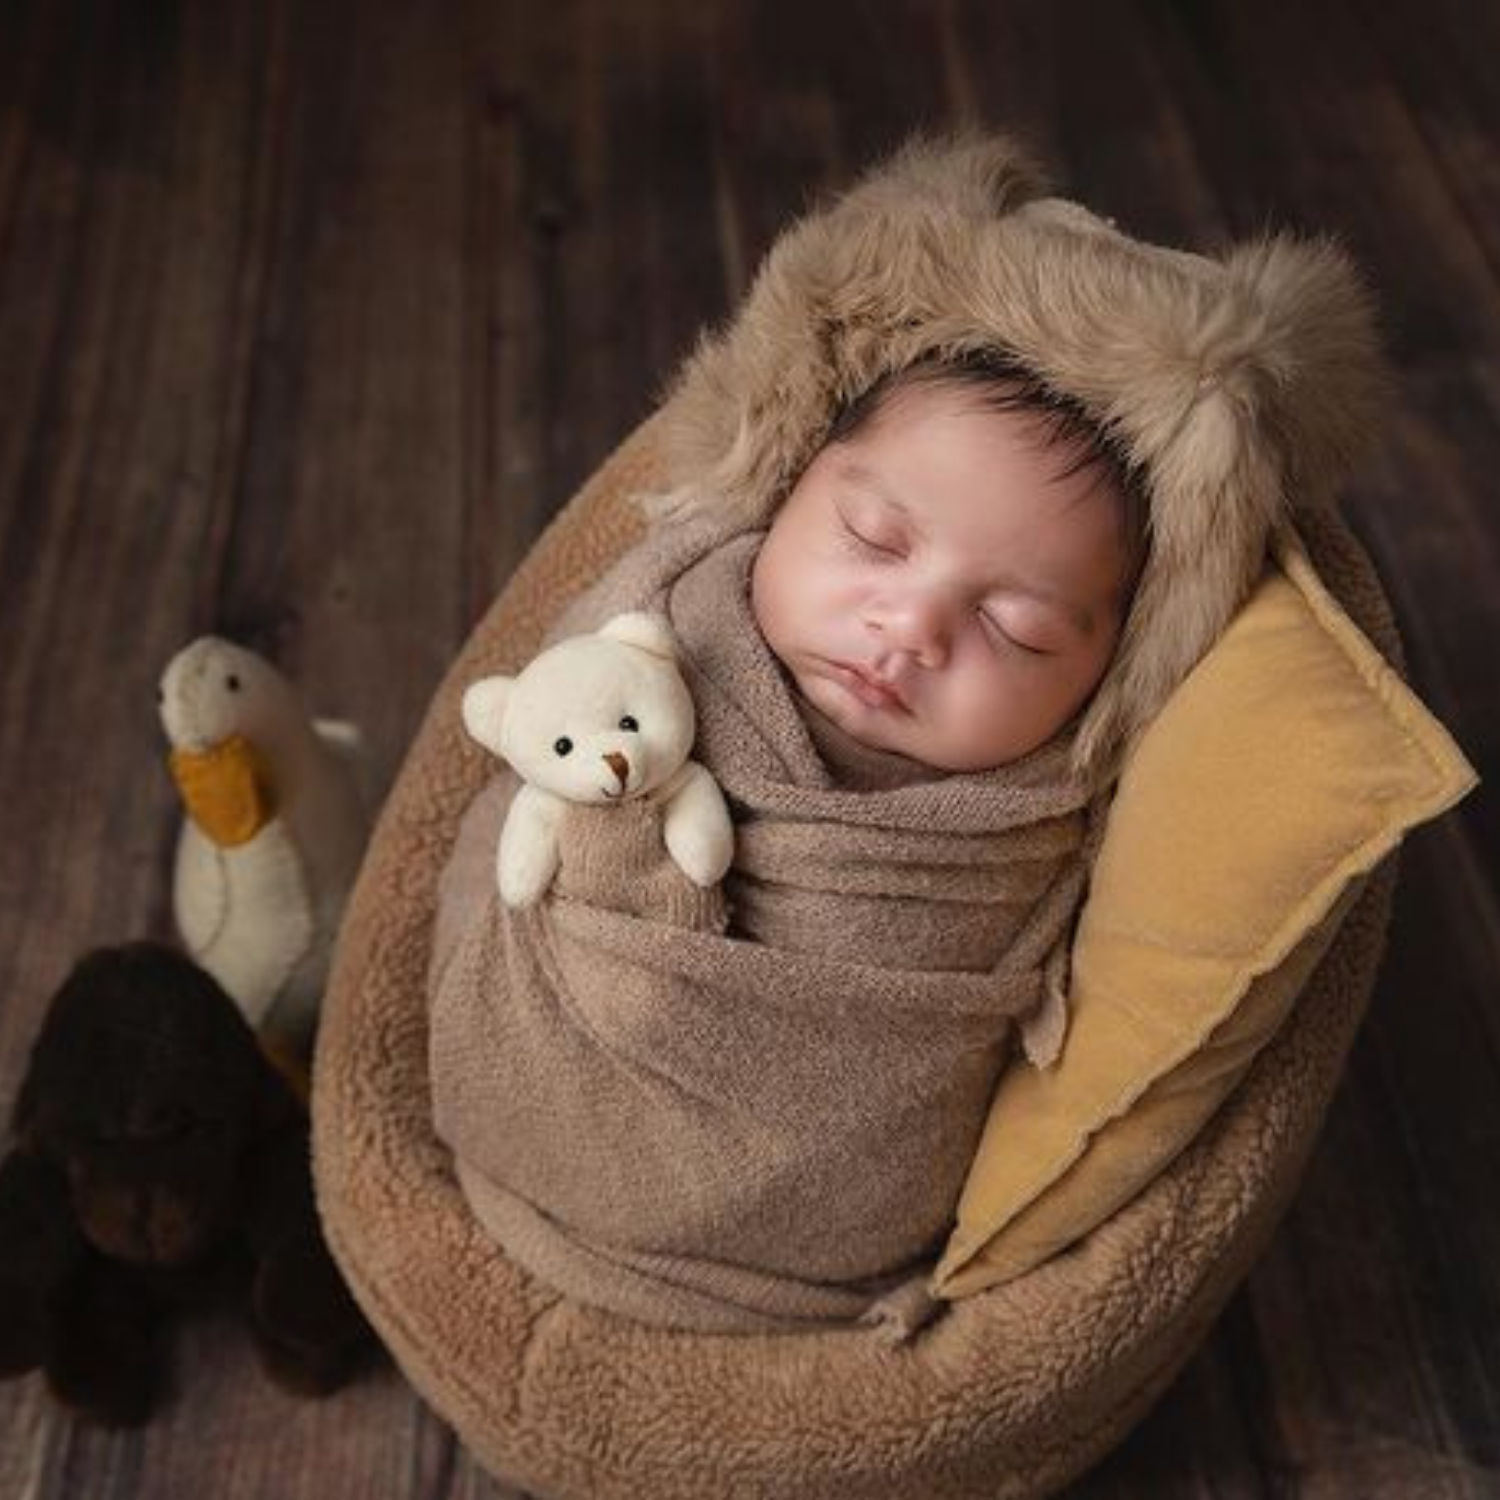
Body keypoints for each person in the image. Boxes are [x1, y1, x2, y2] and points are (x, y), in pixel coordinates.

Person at [750, 349, 1149, 776]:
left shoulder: (1074, 823)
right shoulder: (679, 626)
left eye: (1013, 628)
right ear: (790, 483)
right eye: (874, 538)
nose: (910, 627)